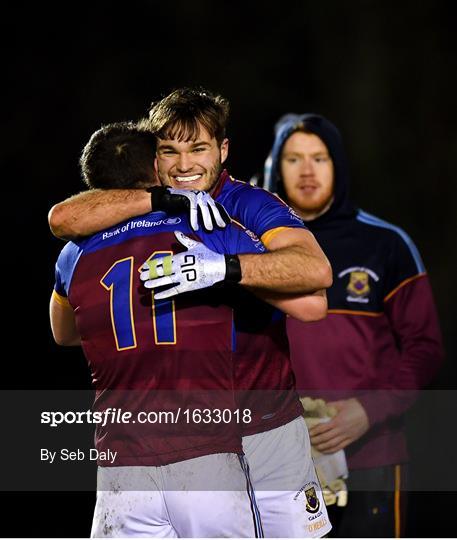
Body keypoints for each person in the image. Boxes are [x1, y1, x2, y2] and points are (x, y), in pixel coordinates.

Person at [48, 88, 333, 538]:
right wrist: (162, 202)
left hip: (264, 426)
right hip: (187, 438)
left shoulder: (247, 206)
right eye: (169, 150)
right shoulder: (148, 207)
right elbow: (62, 217)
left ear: (223, 150)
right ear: (151, 158)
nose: (184, 165)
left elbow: (315, 286)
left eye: (198, 148)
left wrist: (225, 269)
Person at [263, 113, 444, 537]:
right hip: (276, 462)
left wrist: (369, 410)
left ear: (338, 166)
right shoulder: (250, 248)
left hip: (371, 460)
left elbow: (425, 347)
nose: (307, 171)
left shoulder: (385, 244)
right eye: (293, 159)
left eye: (320, 158)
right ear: (275, 166)